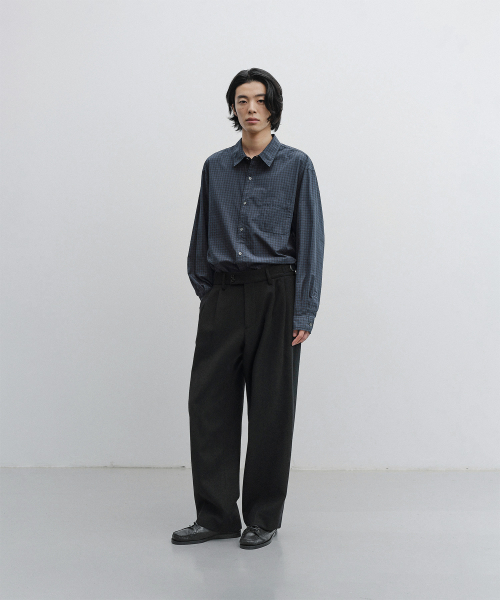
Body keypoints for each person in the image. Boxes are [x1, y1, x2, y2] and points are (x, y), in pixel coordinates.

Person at [172, 68, 325, 550]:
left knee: (271, 410)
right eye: (242, 100)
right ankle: (216, 515)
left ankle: (262, 517)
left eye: (259, 99)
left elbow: (311, 241)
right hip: (223, 294)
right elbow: (202, 229)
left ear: (273, 107)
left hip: (276, 295)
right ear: (233, 108)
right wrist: (208, 289)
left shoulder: (297, 165)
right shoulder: (215, 166)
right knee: (208, 405)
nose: (251, 108)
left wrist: (303, 311)